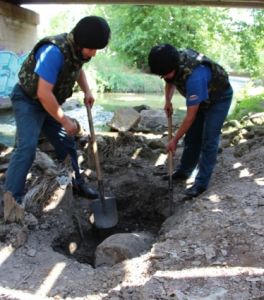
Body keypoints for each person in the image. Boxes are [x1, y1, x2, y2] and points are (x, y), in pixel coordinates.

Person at [4, 16, 111, 222]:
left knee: (66, 141)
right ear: (81, 42)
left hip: (48, 103)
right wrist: (64, 121)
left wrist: (87, 90)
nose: (94, 53)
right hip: (28, 100)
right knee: (26, 147)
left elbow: (77, 69)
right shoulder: (53, 52)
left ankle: (78, 183)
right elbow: (43, 93)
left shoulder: (77, 51)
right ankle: (12, 202)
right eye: (92, 48)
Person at [148, 44, 233, 197]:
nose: (165, 77)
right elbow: (169, 81)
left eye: (166, 74)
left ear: (174, 67)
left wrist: (174, 140)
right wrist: (167, 101)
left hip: (219, 98)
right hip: (201, 96)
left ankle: (200, 184)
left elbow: (190, 116)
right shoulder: (170, 61)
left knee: (209, 139)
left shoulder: (195, 77)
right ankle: (184, 171)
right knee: (192, 136)